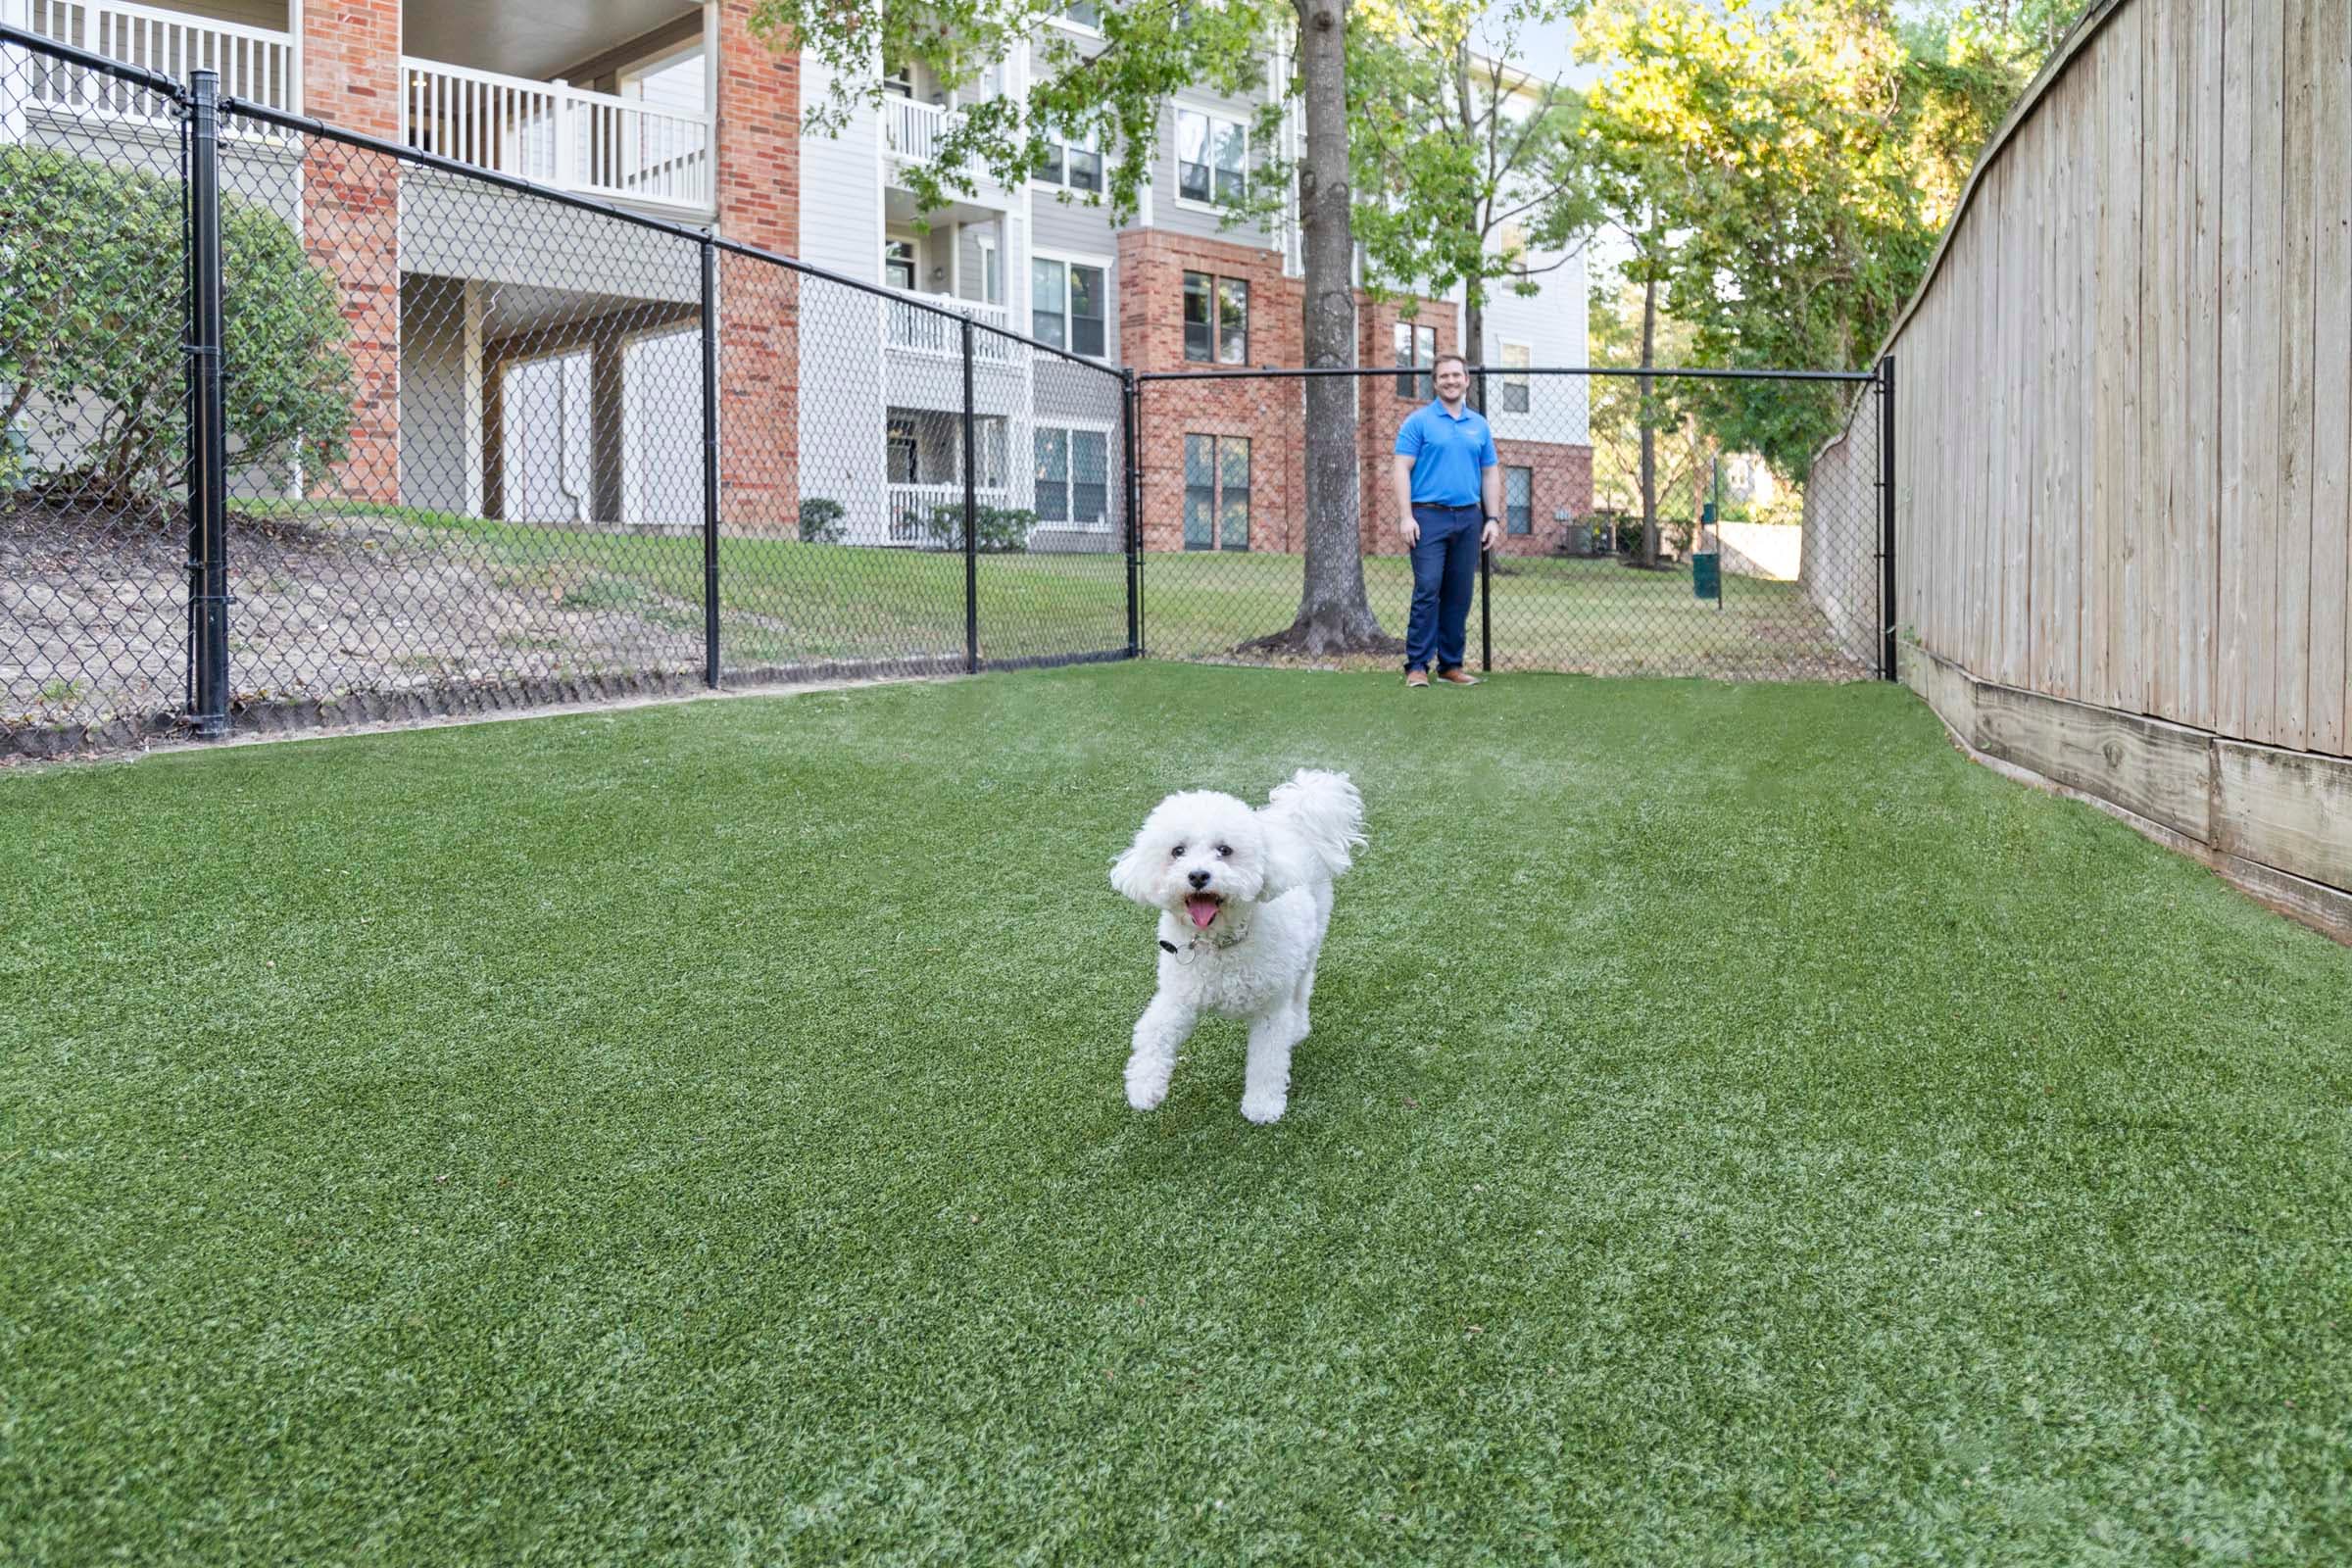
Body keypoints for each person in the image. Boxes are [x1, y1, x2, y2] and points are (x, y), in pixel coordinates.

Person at [1390, 353, 1502, 688]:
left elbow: (1490, 472)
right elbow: (1401, 468)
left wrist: (1492, 518)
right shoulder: (1418, 422)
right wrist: (1406, 517)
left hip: (1469, 518)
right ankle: (1417, 666)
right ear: (1435, 382)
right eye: (1444, 376)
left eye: (1456, 375)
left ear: (1466, 380)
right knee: (1427, 588)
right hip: (1427, 517)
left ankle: (1451, 665)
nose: (1451, 381)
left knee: (1459, 594)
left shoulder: (1479, 425)